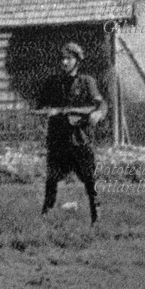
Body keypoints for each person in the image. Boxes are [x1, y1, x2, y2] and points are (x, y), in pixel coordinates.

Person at [37, 42, 107, 225]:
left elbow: (101, 103)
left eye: (69, 59)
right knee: (51, 181)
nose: (65, 62)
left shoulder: (86, 82)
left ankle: (96, 218)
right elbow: (40, 105)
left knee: (90, 181)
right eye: (63, 59)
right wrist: (48, 112)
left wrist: (98, 113)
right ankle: (46, 217)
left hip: (80, 139)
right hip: (58, 140)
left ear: (77, 61)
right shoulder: (53, 82)